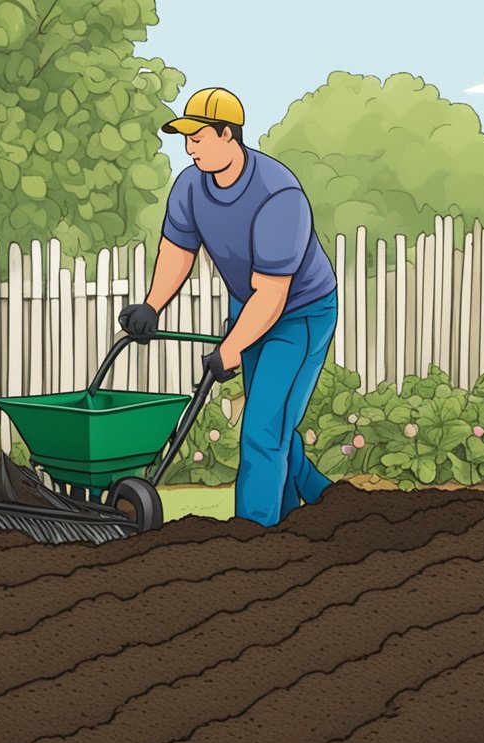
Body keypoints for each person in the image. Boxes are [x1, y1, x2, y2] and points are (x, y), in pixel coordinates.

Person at [119, 87, 339, 527]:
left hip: (300, 315)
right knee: (271, 418)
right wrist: (152, 304)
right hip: (250, 307)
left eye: (198, 138)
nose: (190, 149)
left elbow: (274, 294)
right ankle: (327, 502)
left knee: (261, 428)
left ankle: (252, 536)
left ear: (227, 135)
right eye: (186, 139)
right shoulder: (190, 186)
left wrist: (232, 347)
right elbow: (178, 250)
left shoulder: (279, 195)